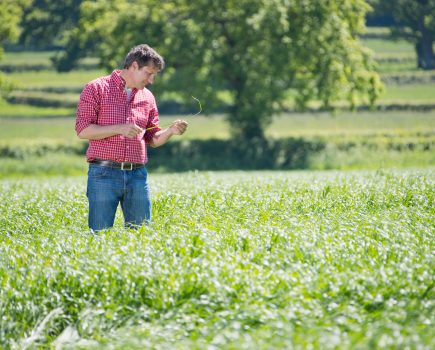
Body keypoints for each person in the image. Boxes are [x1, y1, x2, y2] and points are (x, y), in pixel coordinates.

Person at [75, 44, 188, 232]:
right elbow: (83, 130)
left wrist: (170, 131)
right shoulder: (96, 89)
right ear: (134, 66)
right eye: (148, 73)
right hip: (103, 174)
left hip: (137, 175)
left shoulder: (148, 97)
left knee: (141, 235)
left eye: (154, 75)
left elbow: (152, 138)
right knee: (100, 235)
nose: (151, 80)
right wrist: (120, 128)